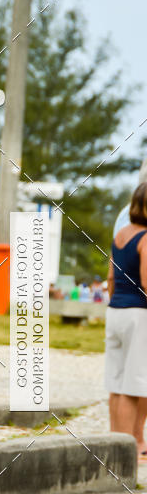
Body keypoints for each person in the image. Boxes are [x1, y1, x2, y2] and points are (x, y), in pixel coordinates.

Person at [105, 183, 147, 457]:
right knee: (133, 387)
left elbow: (111, 278)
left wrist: (116, 302)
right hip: (138, 314)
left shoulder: (120, 235)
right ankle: (129, 448)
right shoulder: (146, 238)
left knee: (116, 384)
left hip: (115, 311)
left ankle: (114, 447)